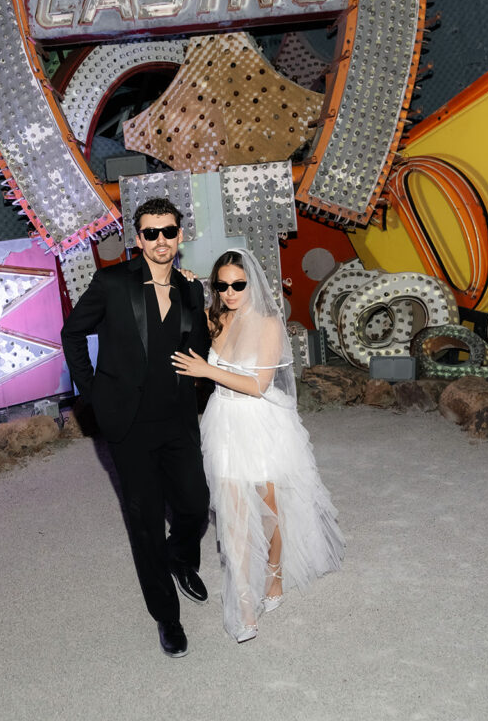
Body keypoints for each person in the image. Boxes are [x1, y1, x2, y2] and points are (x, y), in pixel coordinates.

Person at [61, 197, 211, 659]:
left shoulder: (191, 289)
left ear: (180, 235)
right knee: (145, 523)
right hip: (128, 424)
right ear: (137, 238)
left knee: (194, 505)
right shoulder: (112, 282)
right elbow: (72, 334)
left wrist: (200, 394)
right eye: (151, 233)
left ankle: (181, 557)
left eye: (169, 232)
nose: (161, 241)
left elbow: (199, 347)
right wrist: (93, 394)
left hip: (177, 419)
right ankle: (167, 616)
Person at [172, 248, 344, 643]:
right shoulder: (216, 319)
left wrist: (205, 369)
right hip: (224, 420)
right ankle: (244, 605)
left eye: (238, 285)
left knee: (268, 512)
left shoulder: (269, 325)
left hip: (261, 420)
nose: (230, 292)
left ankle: (275, 575)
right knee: (232, 516)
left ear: (252, 284)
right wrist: (185, 282)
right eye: (222, 285)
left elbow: (258, 385)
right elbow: (185, 314)